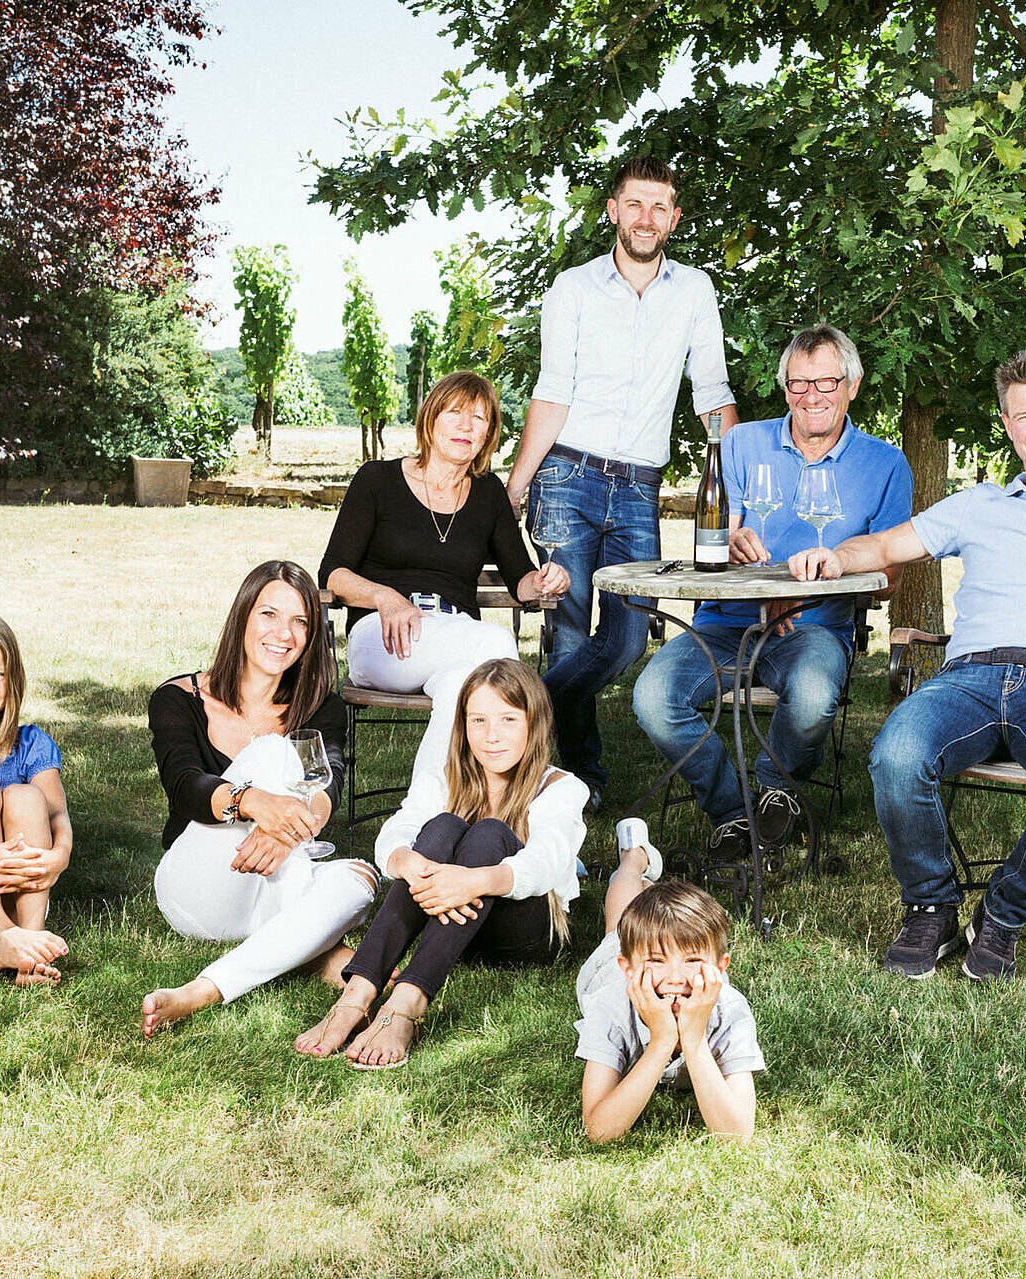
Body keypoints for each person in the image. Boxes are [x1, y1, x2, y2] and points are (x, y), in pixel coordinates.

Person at [795, 348, 1026, 982]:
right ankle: (931, 907)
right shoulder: (976, 505)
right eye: (1024, 416)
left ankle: (1004, 911)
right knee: (896, 755)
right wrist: (835, 556)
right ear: (1007, 424)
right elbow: (882, 546)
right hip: (965, 680)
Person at [505, 155, 739, 810]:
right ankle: (580, 781)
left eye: (659, 206)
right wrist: (516, 485)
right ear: (613, 210)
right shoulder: (573, 288)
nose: (646, 217)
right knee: (570, 631)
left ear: (674, 218)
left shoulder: (694, 291)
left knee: (630, 636)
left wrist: (737, 483)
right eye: (634, 203)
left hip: (638, 485)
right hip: (566, 475)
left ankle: (522, 708)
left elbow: (712, 391)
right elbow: (553, 389)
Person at [632, 326, 911, 860]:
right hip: (724, 623)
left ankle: (775, 787)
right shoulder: (743, 443)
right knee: (652, 698)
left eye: (826, 382)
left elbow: (889, 578)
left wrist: (799, 588)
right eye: (799, 383)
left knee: (812, 697)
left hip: (815, 629)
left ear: (852, 386)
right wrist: (732, 542)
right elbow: (723, 532)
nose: (812, 396)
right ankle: (734, 809)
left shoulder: (885, 464)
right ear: (785, 388)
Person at [294, 658, 587, 1068]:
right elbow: (397, 830)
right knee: (442, 826)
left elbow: (547, 861)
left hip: (524, 935)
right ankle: (357, 993)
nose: (492, 736)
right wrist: (406, 861)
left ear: (533, 724)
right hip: (456, 934)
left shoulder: (560, 787)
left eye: (508, 719)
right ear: (463, 725)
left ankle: (407, 1003)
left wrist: (475, 881)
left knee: (489, 834)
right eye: (478, 720)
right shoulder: (447, 777)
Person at [143, 561, 380, 1036]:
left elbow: (327, 786)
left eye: (300, 621)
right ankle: (321, 949)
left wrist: (284, 834)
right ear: (243, 617)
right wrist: (255, 803)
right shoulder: (178, 698)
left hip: (274, 882)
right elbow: (185, 786)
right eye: (269, 614)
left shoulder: (321, 706)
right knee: (274, 752)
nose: (283, 634)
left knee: (361, 878)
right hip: (200, 885)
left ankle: (208, 988)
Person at [320, 370, 568, 782]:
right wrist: (386, 598)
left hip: (456, 640)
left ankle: (430, 806)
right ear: (431, 418)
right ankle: (525, 780)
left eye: (479, 418)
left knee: (458, 686)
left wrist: (543, 581)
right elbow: (332, 573)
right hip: (384, 637)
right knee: (497, 648)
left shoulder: (488, 494)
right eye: (455, 412)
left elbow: (521, 578)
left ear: (489, 434)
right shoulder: (377, 480)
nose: (466, 426)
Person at [575, 817, 764, 1142]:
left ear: (721, 968)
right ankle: (634, 857)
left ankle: (651, 898)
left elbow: (736, 1135)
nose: (675, 978)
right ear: (628, 968)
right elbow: (599, 1131)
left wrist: (694, 1040)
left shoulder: (730, 1010)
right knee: (619, 925)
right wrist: (662, 1042)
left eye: (692, 961)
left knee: (647, 923)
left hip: (646, 952)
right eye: (657, 962)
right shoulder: (610, 1004)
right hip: (608, 968)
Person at [0, 609, 70, 986]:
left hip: (19, 908)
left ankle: (30, 947)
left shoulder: (31, 744)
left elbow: (58, 816)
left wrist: (60, 856)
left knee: (26, 796)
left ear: (14, 678)